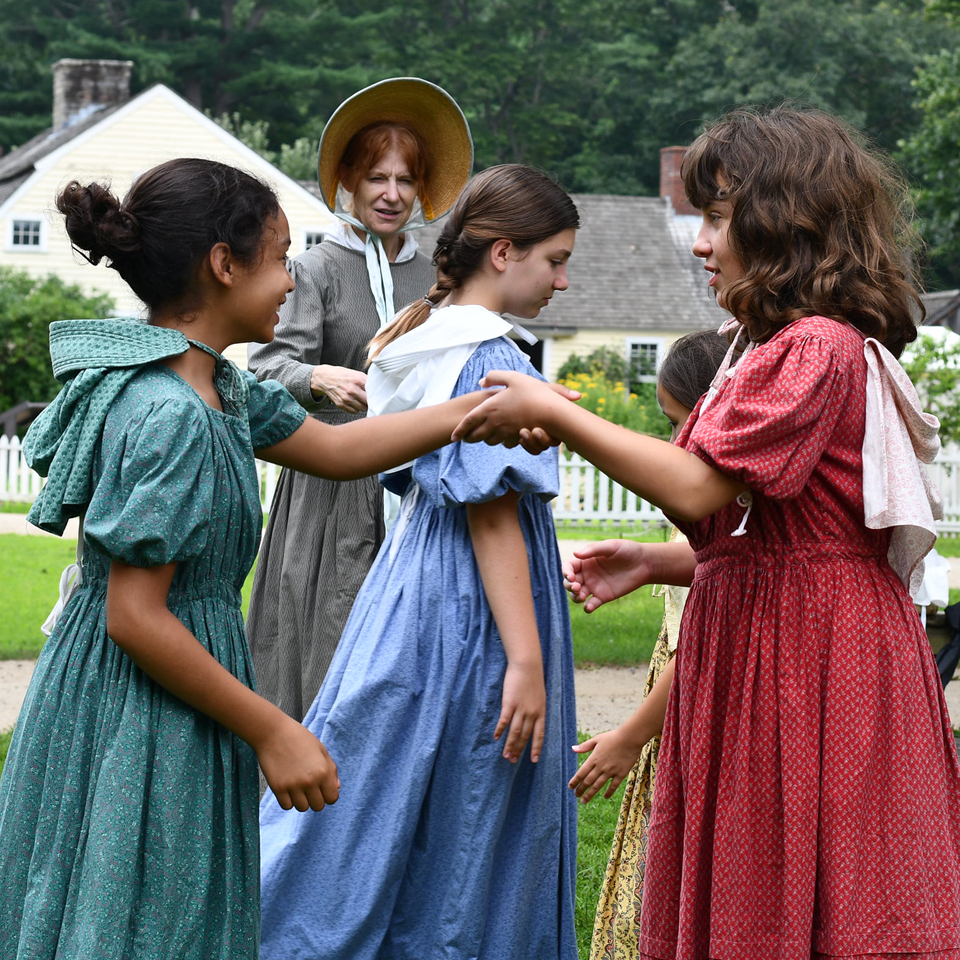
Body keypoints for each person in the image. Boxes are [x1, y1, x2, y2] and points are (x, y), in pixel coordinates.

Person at [453, 107, 960, 957]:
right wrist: (660, 560)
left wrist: (555, 411)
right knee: (753, 888)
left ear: (786, 221)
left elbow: (703, 484)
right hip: (770, 636)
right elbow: (777, 531)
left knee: (821, 895)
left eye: (718, 219)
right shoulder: (758, 349)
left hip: (816, 659)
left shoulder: (818, 346)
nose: (699, 244)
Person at [0, 158, 523, 960]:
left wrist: (477, 408)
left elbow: (340, 451)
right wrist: (275, 730)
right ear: (222, 265)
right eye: (279, 259)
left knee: (165, 907)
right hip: (141, 702)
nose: (289, 280)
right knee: (140, 916)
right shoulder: (169, 412)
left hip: (180, 684)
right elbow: (135, 616)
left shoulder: (218, 388)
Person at [258, 164, 581, 960]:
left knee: (394, 781)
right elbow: (492, 512)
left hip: (415, 582)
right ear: (503, 253)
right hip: (471, 606)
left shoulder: (424, 334)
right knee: (472, 791)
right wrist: (527, 657)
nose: (564, 281)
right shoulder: (483, 356)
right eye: (555, 260)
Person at [246, 78, 473, 721]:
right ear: (349, 178)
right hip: (329, 483)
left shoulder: (435, 277)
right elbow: (262, 365)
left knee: (403, 659)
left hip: (413, 482)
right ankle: (300, 796)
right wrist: (319, 378)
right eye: (378, 177)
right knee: (325, 646)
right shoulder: (317, 268)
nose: (392, 195)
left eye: (406, 180)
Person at [564, 330, 728, 960]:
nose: (674, 441)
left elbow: (708, 643)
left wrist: (632, 733)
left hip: (692, 700)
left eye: (677, 421)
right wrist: (650, 562)